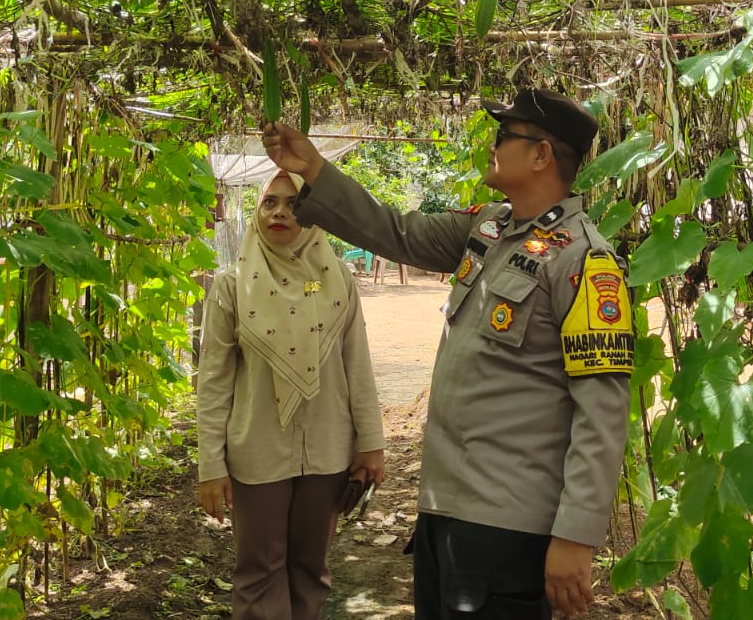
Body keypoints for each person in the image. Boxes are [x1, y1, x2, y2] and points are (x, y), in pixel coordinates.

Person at [263, 89, 633, 619]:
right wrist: (314, 168)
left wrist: (576, 535)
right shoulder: (486, 228)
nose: (493, 145)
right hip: (444, 510)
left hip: (508, 524)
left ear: (541, 155)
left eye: (504, 135)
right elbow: (395, 231)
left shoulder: (582, 261)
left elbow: (602, 413)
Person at [197, 170, 387, 620]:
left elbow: (357, 365)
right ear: (257, 212)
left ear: (314, 215)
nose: (280, 212)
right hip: (257, 451)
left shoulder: (337, 281)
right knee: (258, 574)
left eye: (294, 203)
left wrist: (371, 443)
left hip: (327, 449)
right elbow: (214, 382)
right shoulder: (232, 286)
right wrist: (211, 465)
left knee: (310, 571)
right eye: (270, 202)